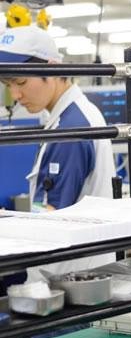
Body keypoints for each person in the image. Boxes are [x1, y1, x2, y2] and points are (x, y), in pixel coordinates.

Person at [0, 26, 115, 280]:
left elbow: (49, 219)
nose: (15, 95)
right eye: (8, 85)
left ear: (51, 70)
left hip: (69, 281)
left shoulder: (70, 130)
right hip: (73, 276)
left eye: (20, 82)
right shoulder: (70, 116)